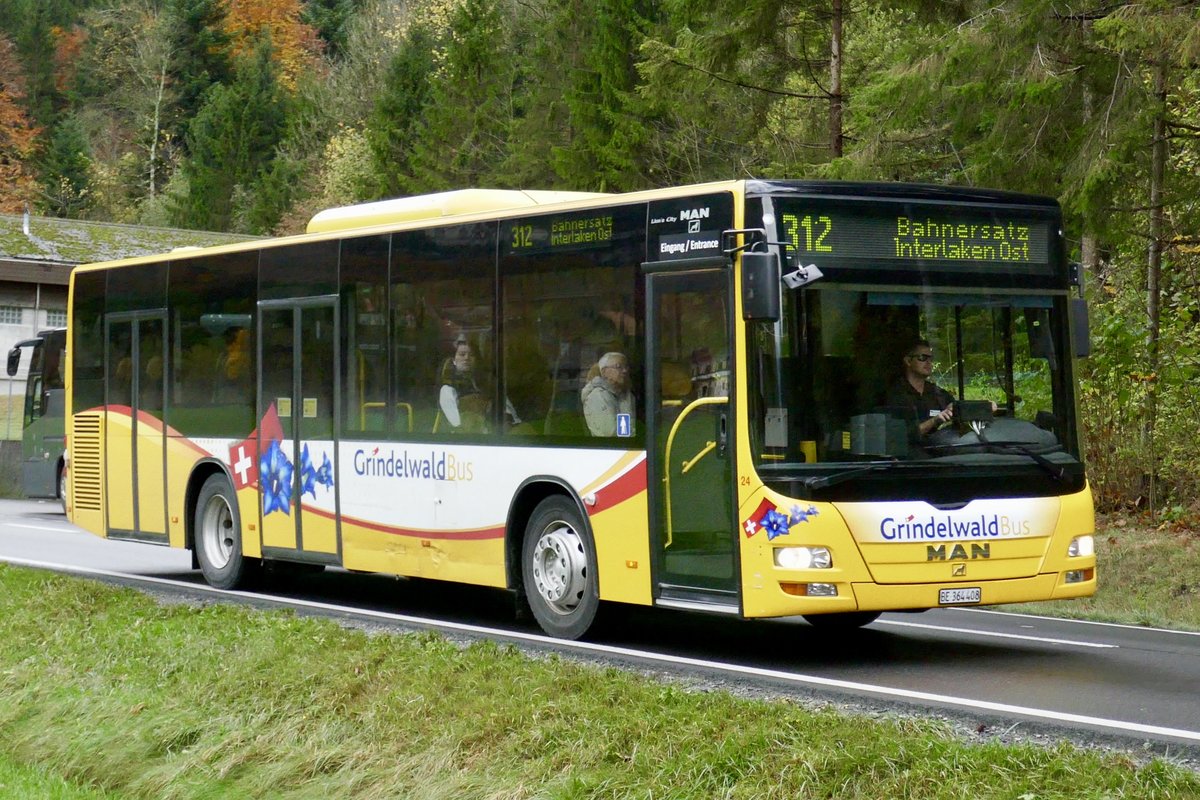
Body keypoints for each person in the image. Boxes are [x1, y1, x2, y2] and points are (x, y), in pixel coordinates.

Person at [885, 338, 955, 440]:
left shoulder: (938, 393)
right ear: (908, 361)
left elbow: (955, 408)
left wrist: (955, 409)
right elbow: (900, 436)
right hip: (911, 453)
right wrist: (935, 420)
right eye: (923, 358)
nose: (928, 362)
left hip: (942, 448)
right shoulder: (896, 395)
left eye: (931, 359)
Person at [440, 339, 489, 433]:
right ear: (454, 360)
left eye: (471, 355)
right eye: (462, 354)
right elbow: (456, 426)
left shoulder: (485, 384)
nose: (466, 358)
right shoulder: (448, 389)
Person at [582, 351, 635, 437]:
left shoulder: (622, 393)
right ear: (604, 372)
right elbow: (612, 433)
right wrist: (625, 401)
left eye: (626, 367)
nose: (625, 371)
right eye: (619, 367)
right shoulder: (598, 396)